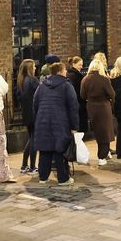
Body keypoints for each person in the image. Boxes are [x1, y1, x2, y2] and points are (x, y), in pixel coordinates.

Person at [33, 55, 79, 185]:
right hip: (60, 122)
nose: (66, 73)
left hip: (43, 122)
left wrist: (37, 119)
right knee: (60, 150)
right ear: (60, 72)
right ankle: (63, 178)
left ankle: (43, 177)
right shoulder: (66, 85)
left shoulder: (42, 85)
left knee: (45, 150)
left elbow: (35, 104)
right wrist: (74, 125)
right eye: (64, 71)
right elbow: (73, 106)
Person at [81, 59, 115, 165]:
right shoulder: (104, 79)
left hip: (91, 107)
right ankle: (102, 156)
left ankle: (105, 153)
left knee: (98, 131)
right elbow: (112, 94)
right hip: (103, 106)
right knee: (106, 131)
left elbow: (82, 95)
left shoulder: (85, 79)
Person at [17, 59, 39, 174]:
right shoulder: (33, 80)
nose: (35, 68)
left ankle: (24, 165)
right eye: (34, 66)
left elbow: (19, 98)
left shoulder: (21, 81)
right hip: (35, 114)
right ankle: (32, 167)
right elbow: (39, 96)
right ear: (30, 68)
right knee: (34, 139)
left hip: (26, 114)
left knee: (31, 138)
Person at [67, 56, 88, 134]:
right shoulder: (74, 76)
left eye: (82, 65)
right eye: (79, 65)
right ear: (73, 64)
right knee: (80, 127)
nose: (81, 67)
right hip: (79, 104)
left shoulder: (71, 74)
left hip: (78, 104)